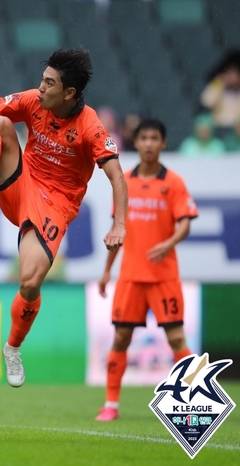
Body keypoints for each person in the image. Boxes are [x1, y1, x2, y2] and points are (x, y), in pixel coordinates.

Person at [0, 48, 127, 387]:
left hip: (54, 207)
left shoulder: (90, 126)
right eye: (43, 80)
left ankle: (12, 347)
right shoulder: (34, 100)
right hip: (21, 181)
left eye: (49, 83)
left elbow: (117, 176)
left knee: (30, 282)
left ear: (69, 92)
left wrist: (119, 224)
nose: (41, 87)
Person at [95, 118, 198, 421]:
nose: (149, 143)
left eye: (155, 138)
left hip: (164, 277)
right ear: (136, 143)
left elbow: (185, 223)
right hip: (130, 277)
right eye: (144, 138)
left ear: (163, 143)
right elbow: (118, 230)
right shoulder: (124, 181)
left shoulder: (173, 182)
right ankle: (111, 405)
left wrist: (169, 243)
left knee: (177, 339)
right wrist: (107, 271)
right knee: (120, 339)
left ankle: (194, 405)